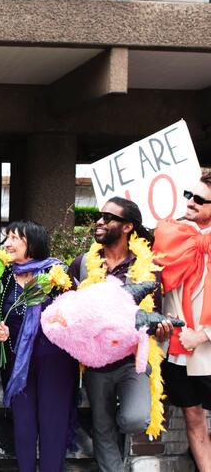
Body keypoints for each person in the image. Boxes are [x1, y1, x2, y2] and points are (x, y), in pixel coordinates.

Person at [68, 197, 172, 472]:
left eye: (108, 217)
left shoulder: (147, 270)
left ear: (127, 227)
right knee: (102, 428)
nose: (99, 221)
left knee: (134, 419)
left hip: (132, 362)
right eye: (99, 216)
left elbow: (155, 318)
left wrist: (162, 330)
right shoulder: (82, 264)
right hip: (96, 363)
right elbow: (65, 309)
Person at [0, 220, 77, 471]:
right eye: (7, 238)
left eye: (15, 239)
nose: (7, 243)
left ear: (34, 244)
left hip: (55, 361)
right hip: (19, 363)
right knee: (23, 428)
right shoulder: (2, 275)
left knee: (53, 426)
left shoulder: (57, 274)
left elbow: (76, 314)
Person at [154, 173, 211, 472]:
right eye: (190, 194)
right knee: (193, 415)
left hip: (206, 346)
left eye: (200, 199)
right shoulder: (171, 233)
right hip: (177, 348)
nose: (190, 201)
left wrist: (203, 336)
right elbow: (157, 287)